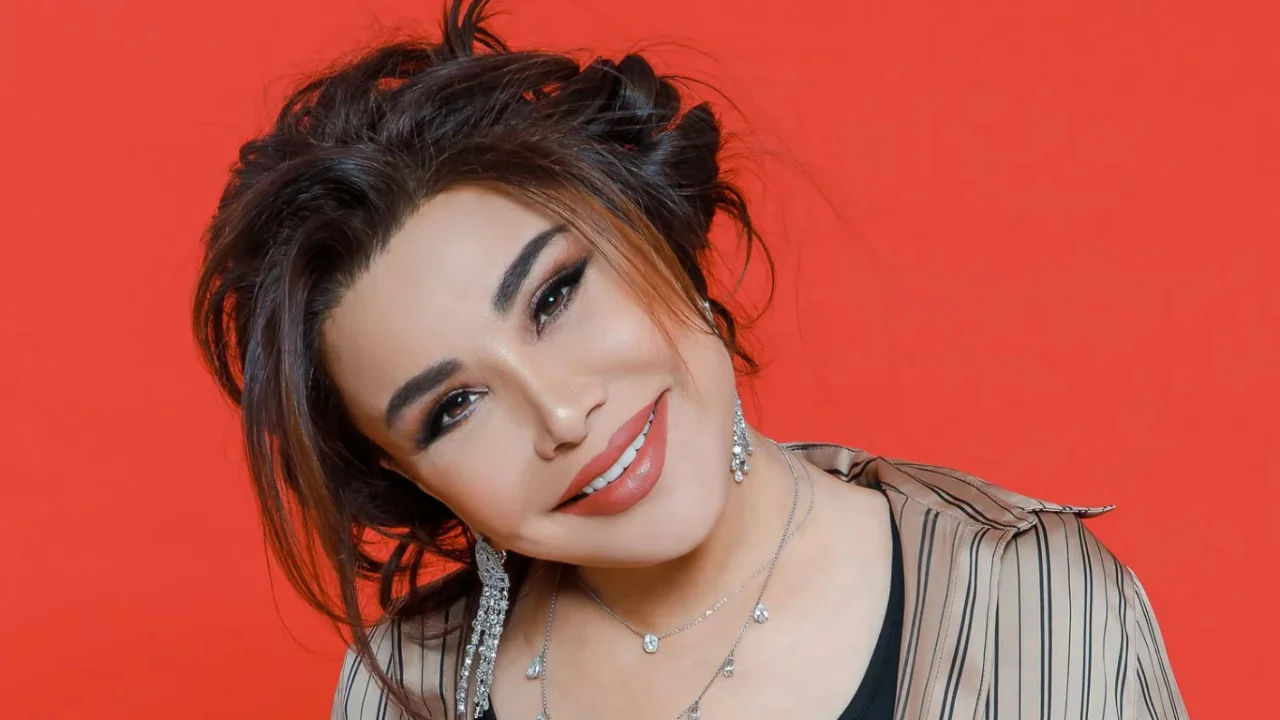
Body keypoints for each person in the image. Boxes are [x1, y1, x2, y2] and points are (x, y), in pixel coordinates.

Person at [190, 1, 1188, 718]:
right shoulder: (399, 691)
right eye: (453, 408)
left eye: (554, 297)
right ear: (409, 475)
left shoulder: (1032, 605)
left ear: (654, 229)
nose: (561, 414)